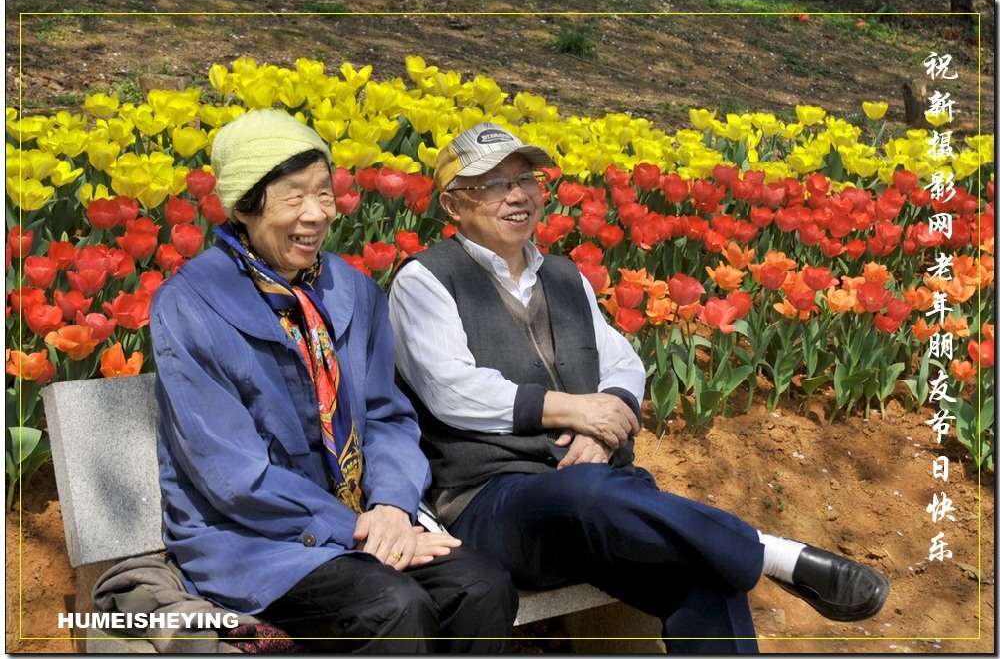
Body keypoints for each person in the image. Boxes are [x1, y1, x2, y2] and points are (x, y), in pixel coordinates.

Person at [387, 122, 890, 653]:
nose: (517, 194)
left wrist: (605, 431)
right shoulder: (425, 280)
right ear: (452, 204)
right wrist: (576, 412)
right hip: (489, 504)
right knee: (589, 494)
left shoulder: (563, 276)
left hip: (597, 496)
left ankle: (744, 562)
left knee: (703, 576)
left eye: (525, 178)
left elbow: (621, 361)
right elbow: (453, 390)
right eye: (492, 183)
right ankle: (773, 555)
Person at [150, 109, 517, 653]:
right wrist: (359, 530)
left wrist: (392, 505)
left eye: (324, 194)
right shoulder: (192, 305)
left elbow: (388, 417)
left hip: (369, 520)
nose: (317, 214)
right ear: (245, 206)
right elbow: (231, 474)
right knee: (394, 608)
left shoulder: (351, 291)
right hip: (253, 538)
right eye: (294, 197)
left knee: (482, 587)